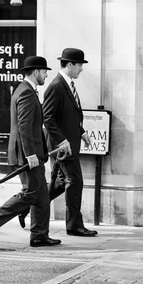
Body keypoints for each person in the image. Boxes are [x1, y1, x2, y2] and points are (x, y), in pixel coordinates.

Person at [0, 56, 61, 248]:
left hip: (33, 153)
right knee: (30, 192)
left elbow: (32, 126)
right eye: (44, 71)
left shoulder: (27, 91)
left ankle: (39, 235)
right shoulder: (25, 93)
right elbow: (24, 126)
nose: (46, 75)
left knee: (41, 196)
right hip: (26, 154)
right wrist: (31, 154)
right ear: (35, 72)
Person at [42, 47, 98, 237]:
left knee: (59, 184)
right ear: (70, 64)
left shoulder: (68, 85)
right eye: (80, 65)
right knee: (75, 182)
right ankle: (74, 225)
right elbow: (47, 118)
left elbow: (68, 116)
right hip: (63, 148)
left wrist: (82, 132)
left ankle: (28, 206)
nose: (81, 69)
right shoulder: (56, 86)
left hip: (70, 144)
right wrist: (62, 141)